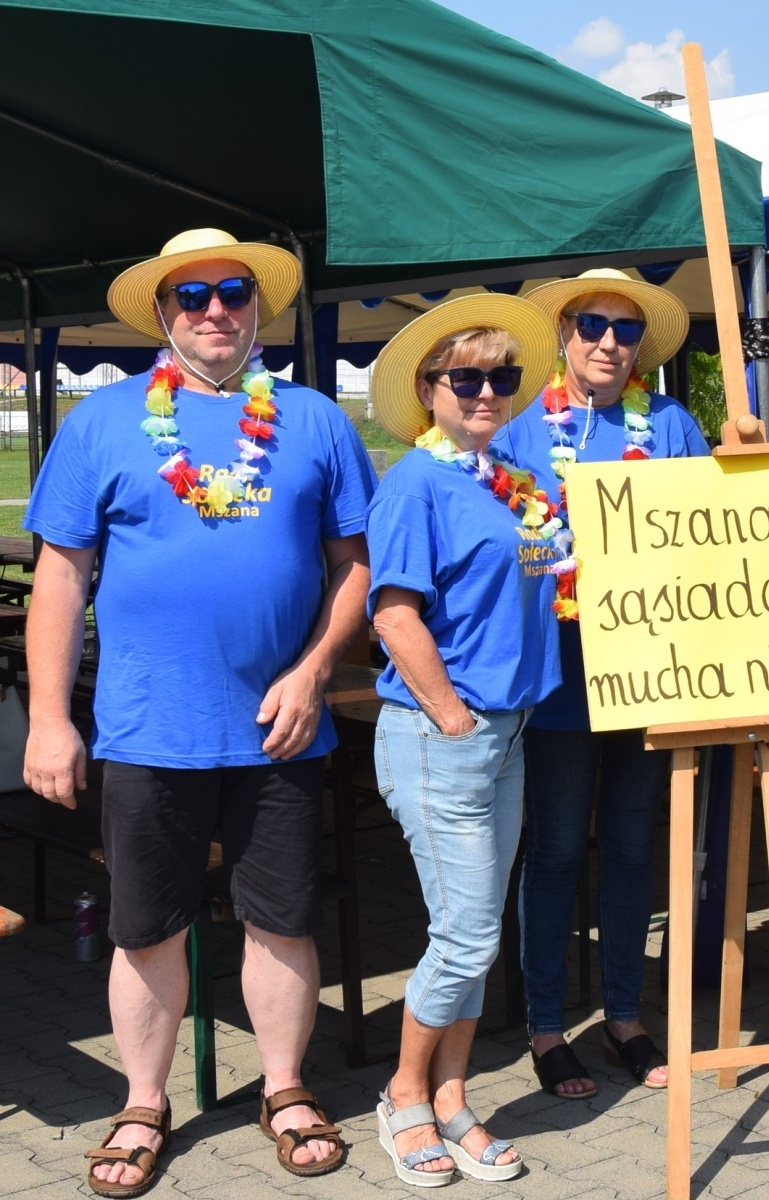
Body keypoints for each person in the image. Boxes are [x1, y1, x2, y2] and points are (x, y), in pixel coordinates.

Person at [23, 228, 376, 1194]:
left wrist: (311, 673)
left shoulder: (314, 419)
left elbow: (355, 570)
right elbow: (61, 573)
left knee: (283, 922)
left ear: (257, 306)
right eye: (192, 297)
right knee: (145, 927)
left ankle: (287, 1087)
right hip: (148, 727)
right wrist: (50, 719)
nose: (214, 310)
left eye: (232, 292)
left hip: (282, 728)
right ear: (164, 315)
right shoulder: (104, 421)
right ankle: (143, 1101)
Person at [365, 294, 561, 1186]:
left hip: (507, 730)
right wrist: (449, 710)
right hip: (444, 732)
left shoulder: (507, 479)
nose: (487, 393)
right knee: (470, 931)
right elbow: (394, 611)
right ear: (429, 391)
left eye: (503, 377)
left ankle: (453, 1098)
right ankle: (404, 1095)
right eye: (467, 378)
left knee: (469, 927)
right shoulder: (416, 481)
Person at [499, 268, 705, 1097]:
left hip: (648, 668)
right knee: (551, 852)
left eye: (625, 331)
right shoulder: (517, 423)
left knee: (628, 848)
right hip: (554, 670)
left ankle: (626, 1015)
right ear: (564, 332)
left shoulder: (672, 424)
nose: (609, 343)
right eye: (592, 325)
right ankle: (547, 1028)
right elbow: (494, 536)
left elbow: (706, 537)